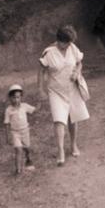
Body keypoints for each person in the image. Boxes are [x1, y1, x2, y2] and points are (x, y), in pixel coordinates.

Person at [38, 24, 90, 166]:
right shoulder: (49, 52)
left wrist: (77, 72)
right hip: (56, 91)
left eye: (69, 43)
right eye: (65, 43)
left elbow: (79, 63)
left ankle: (73, 145)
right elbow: (41, 71)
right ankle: (60, 150)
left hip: (72, 89)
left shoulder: (72, 48)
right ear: (59, 40)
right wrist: (40, 89)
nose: (68, 46)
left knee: (73, 118)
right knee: (59, 120)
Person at [3, 84, 36, 175]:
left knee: (27, 148)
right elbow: (6, 123)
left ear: (21, 97)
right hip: (15, 133)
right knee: (18, 149)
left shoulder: (24, 106)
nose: (16, 100)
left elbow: (34, 110)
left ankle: (28, 158)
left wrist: (39, 104)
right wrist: (7, 136)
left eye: (18, 97)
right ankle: (18, 170)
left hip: (25, 131)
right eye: (14, 97)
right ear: (10, 98)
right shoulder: (8, 110)